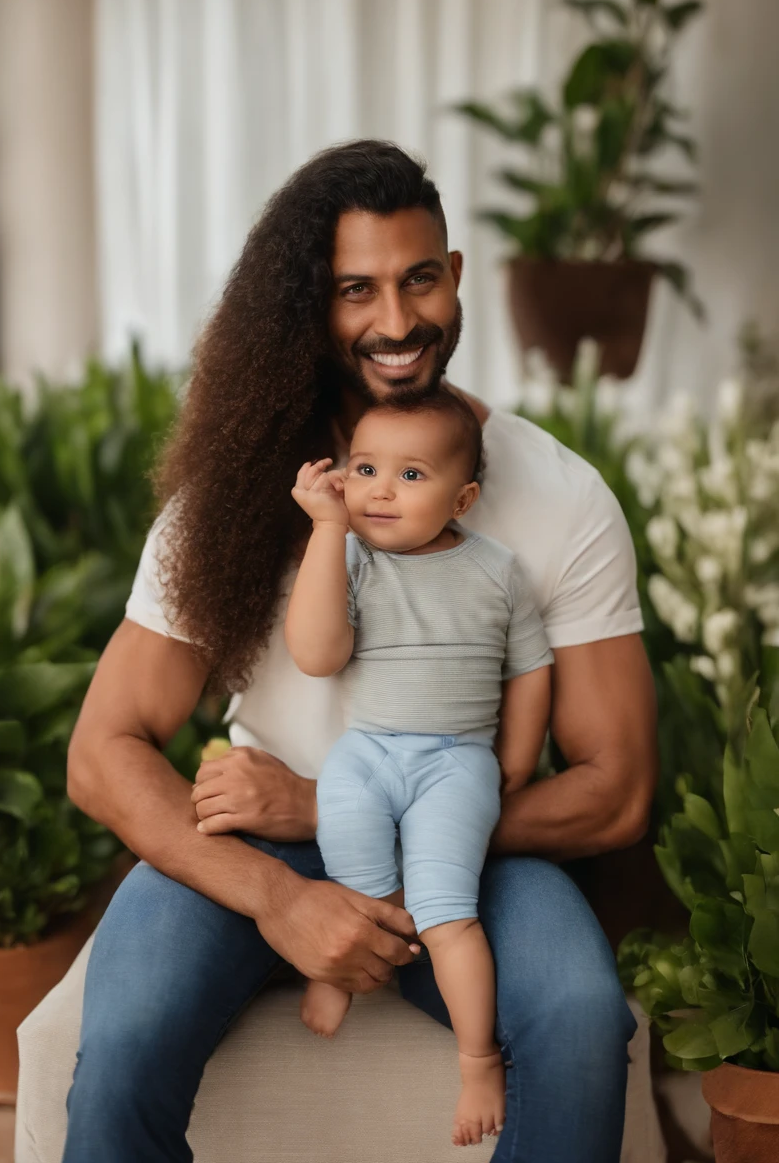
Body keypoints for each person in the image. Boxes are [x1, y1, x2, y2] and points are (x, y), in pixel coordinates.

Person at [64, 140, 658, 1163]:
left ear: (455, 275)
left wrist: (359, 810)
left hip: (469, 833)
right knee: (117, 1043)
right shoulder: (237, 497)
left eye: (418, 278)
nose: (396, 320)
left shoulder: (557, 497)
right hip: (257, 841)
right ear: (308, 305)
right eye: (355, 290)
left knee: (577, 1017)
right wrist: (281, 893)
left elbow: (616, 789)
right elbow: (102, 750)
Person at [286, 390, 554, 1148]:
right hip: (367, 751)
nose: (378, 488)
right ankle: (341, 970)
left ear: (461, 496)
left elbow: (531, 670)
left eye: (410, 475)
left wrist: (515, 763)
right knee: (350, 855)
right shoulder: (354, 561)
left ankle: (477, 1059)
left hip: (455, 761)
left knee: (447, 913)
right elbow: (314, 651)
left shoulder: (498, 572)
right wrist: (328, 529)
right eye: (365, 467)